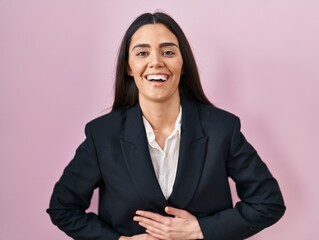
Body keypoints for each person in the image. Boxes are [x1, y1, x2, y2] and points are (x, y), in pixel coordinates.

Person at [47, 12, 286, 240]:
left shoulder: (222, 129)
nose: (156, 62)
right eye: (142, 53)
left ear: (183, 65)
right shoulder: (102, 135)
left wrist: (200, 229)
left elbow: (268, 202)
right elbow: (63, 208)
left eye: (168, 52)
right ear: (129, 66)